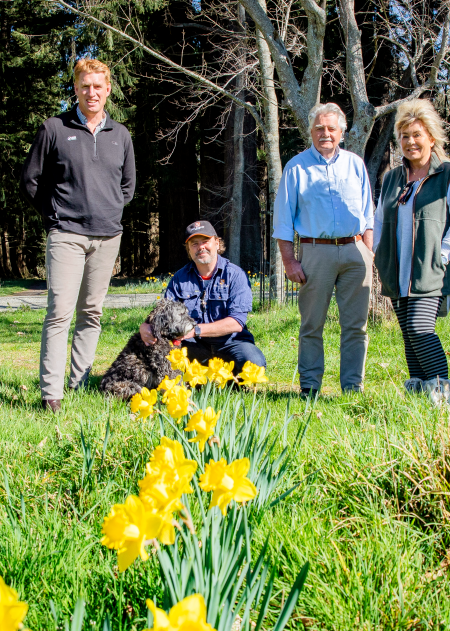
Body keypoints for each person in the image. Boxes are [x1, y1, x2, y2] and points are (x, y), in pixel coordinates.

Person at [21, 58, 136, 412]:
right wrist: (53, 216)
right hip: (66, 235)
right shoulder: (54, 128)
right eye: (85, 85)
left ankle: (79, 380)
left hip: (107, 237)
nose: (92, 92)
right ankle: (51, 393)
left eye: (98, 86)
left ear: (108, 90)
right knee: (59, 312)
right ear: (76, 88)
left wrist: (111, 210)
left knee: (92, 312)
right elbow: (30, 181)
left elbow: (128, 186)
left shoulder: (121, 135)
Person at [372, 99, 450, 400]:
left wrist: (442, 254)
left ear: (431, 137)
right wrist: (379, 255)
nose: (410, 142)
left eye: (416, 135)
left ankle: (443, 395)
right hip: (396, 270)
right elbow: (378, 221)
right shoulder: (392, 178)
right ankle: (419, 393)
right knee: (408, 335)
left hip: (429, 271)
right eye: (404, 136)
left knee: (419, 329)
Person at [272, 103, 374, 397]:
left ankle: (353, 387)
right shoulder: (296, 167)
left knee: (356, 326)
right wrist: (289, 261)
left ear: (342, 131)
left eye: (331, 128)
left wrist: (368, 252)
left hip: (355, 251)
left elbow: (368, 211)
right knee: (312, 324)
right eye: (319, 129)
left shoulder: (355, 164)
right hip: (316, 252)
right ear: (311, 132)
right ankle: (311, 387)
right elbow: (282, 219)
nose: (325, 134)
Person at [143, 220, 266, 374]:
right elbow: (163, 312)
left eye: (205, 241)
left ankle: (226, 381)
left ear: (217, 243)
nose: (201, 247)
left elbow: (236, 322)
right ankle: (199, 379)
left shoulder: (235, 275)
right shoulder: (179, 278)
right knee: (160, 356)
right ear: (188, 250)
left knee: (254, 363)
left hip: (230, 342)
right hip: (192, 345)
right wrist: (145, 325)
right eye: (194, 243)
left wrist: (196, 330)